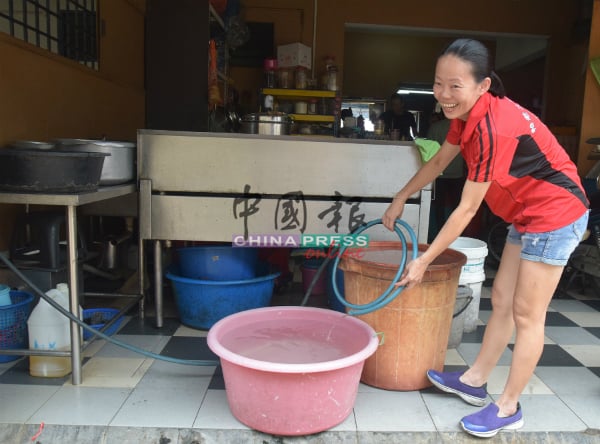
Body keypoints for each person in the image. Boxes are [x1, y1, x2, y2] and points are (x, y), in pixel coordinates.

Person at [382, 38, 589, 438]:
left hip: (554, 215)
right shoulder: (466, 116)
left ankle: (509, 407)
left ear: (483, 86)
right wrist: (401, 196)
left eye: (455, 85)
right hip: (525, 214)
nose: (444, 93)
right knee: (501, 301)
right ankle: (475, 381)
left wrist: (424, 260)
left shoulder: (496, 127)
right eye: (439, 83)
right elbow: (441, 161)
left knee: (527, 315)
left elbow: (466, 209)